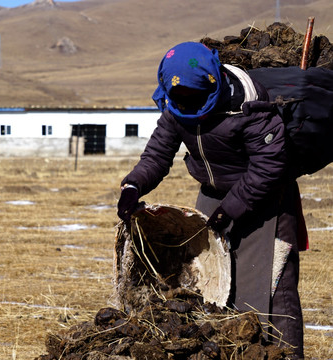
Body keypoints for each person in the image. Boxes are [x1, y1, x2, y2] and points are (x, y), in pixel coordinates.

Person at [117, 42, 306, 359]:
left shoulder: (250, 106)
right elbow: (158, 153)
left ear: (213, 82)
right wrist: (133, 186)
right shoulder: (177, 104)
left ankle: (283, 356)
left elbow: (267, 168)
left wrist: (229, 211)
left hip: (266, 203)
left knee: (267, 292)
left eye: (194, 98)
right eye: (181, 99)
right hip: (213, 200)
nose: (188, 104)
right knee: (210, 291)